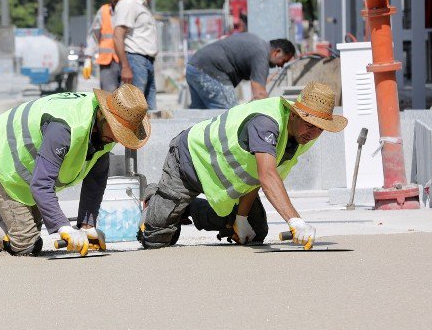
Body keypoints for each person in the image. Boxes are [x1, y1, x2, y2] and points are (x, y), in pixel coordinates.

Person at [0, 84, 151, 256]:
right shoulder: (66, 127)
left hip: (35, 167)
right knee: (26, 244)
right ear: (104, 116)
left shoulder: (105, 127)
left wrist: (87, 226)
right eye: (117, 132)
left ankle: (7, 218)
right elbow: (41, 185)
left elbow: (96, 177)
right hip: (7, 160)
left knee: (26, 224)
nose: (117, 138)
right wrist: (64, 227)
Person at [139, 81, 347, 251]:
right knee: (156, 240)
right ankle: (154, 197)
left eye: (320, 128)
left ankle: (190, 207)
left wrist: (241, 218)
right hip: (190, 161)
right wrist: (295, 221)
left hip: (221, 180)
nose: (313, 134)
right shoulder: (267, 122)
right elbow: (267, 176)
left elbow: (256, 175)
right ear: (294, 114)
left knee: (255, 231)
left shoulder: (301, 134)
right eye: (310, 125)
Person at [185, 34, 296, 109]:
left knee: (198, 115)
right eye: (283, 60)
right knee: (230, 116)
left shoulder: (256, 43)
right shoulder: (261, 55)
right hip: (210, 71)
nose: (281, 65)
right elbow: (260, 94)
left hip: (193, 67)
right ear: (277, 52)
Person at [113, 0, 159, 109]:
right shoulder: (129, 4)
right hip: (135, 61)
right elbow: (118, 36)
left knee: (149, 110)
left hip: (146, 62)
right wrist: (126, 67)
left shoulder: (141, 5)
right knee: (133, 109)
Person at [84, 0, 127, 90]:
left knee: (125, 100)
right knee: (108, 98)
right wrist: (88, 58)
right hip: (107, 63)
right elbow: (94, 36)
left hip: (126, 61)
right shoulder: (103, 11)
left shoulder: (129, 11)